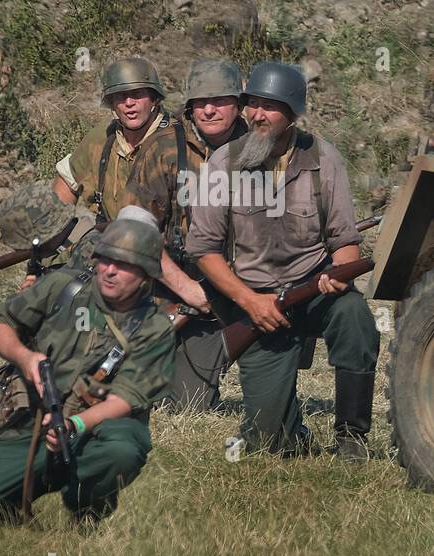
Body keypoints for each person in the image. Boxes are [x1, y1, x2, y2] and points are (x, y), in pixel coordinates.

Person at [0, 219, 175, 523]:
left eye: (123, 265)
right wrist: (25, 357)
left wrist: (73, 425)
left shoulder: (155, 327)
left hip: (94, 431)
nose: (110, 270)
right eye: (106, 259)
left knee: (122, 449)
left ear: (146, 274)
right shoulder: (64, 287)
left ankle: (86, 505)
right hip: (30, 425)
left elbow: (123, 401)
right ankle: (10, 502)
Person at [185, 62, 377, 459]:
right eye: (252, 103)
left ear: (292, 113)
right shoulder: (223, 163)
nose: (257, 114)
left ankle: (351, 438)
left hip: (313, 290)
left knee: (354, 315)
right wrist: (249, 302)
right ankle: (293, 431)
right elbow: (203, 250)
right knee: (270, 444)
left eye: (269, 106)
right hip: (253, 304)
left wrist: (338, 275)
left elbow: (344, 239)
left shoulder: (324, 159)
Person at [124, 58, 249, 409]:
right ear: (189, 107)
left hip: (239, 290)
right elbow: (135, 230)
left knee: (192, 402)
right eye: (199, 102)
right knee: (171, 400)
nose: (208, 110)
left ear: (238, 105)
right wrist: (188, 290)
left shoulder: (262, 150)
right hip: (170, 290)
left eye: (219, 100)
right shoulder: (163, 149)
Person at [53, 57, 176, 224]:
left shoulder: (177, 141)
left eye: (137, 94)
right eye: (121, 96)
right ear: (111, 103)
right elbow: (67, 182)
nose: (129, 103)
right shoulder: (102, 138)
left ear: (153, 98)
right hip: (112, 241)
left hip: (163, 245)